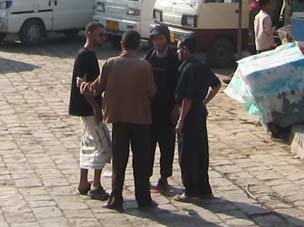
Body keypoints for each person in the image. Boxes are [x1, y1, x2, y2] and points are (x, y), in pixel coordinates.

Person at [82, 30, 156, 211]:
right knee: (141, 161)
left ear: (122, 44)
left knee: (119, 161)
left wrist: (82, 85)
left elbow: (96, 88)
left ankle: (116, 198)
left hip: (119, 119)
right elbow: (151, 91)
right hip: (140, 119)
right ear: (138, 46)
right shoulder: (144, 66)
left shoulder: (111, 63)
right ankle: (143, 198)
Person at [174, 35, 221, 202]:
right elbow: (216, 85)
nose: (178, 51)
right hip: (199, 111)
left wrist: (180, 120)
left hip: (189, 114)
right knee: (201, 150)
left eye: (179, 48)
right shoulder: (201, 66)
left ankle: (191, 190)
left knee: (187, 154)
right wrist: (205, 101)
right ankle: (203, 188)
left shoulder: (187, 69)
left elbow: (186, 98)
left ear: (186, 49)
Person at [69, 22, 109, 201]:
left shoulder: (89, 55)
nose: (103, 38)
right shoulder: (85, 56)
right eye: (100, 34)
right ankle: (96, 184)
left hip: (87, 108)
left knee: (88, 142)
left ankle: (84, 181)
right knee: (103, 144)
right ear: (90, 33)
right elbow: (82, 86)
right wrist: (95, 106)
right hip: (89, 109)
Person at [144, 25, 180, 193]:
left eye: (160, 39)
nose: (158, 42)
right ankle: (146, 176)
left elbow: (179, 86)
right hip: (150, 110)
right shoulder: (149, 58)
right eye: (155, 39)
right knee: (148, 145)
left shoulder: (174, 61)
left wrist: (176, 106)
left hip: (167, 110)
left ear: (166, 39)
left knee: (167, 146)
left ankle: (164, 177)